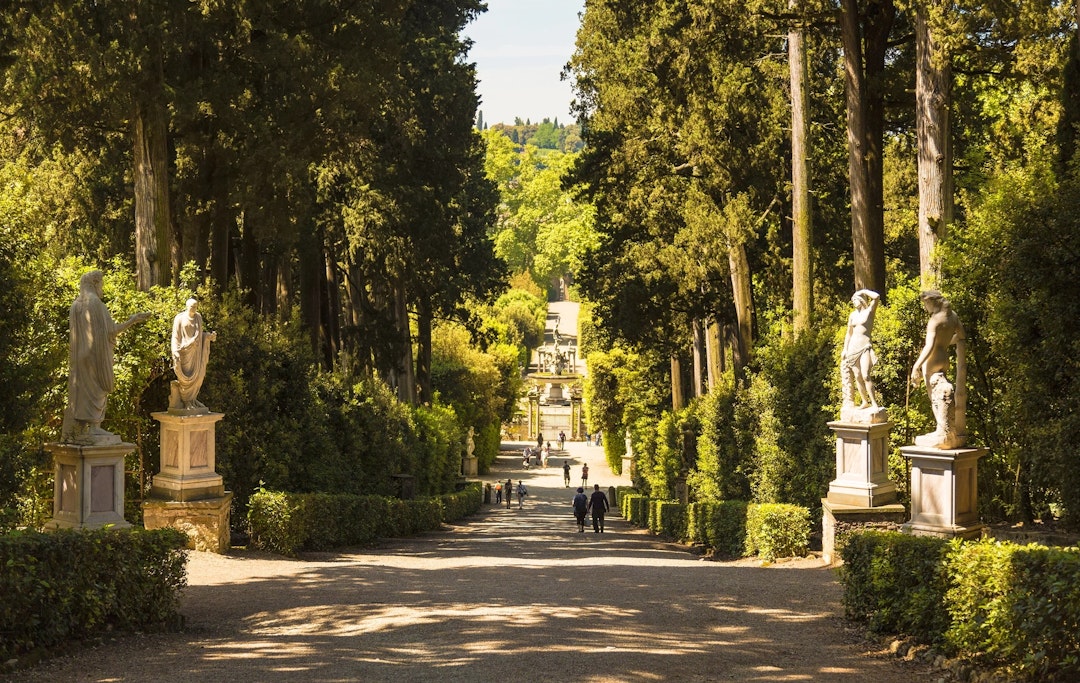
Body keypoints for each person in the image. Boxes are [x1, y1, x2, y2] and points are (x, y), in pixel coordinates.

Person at [62, 270, 152, 445]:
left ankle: (82, 428)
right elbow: (111, 331)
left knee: (81, 392)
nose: (102, 287)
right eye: (101, 284)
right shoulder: (96, 304)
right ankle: (94, 427)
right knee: (99, 389)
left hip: (80, 358)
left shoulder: (76, 305)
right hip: (95, 358)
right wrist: (132, 320)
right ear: (95, 284)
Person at [910, 290, 967, 449]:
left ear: (932, 302)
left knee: (934, 397)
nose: (925, 307)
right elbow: (961, 336)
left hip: (933, 360)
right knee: (941, 391)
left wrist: (916, 366)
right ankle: (945, 429)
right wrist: (946, 342)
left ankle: (941, 430)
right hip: (945, 359)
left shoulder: (934, 321)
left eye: (925, 303)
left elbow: (929, 346)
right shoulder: (952, 316)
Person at [170, 298, 217, 412]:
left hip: (196, 352)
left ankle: (192, 400)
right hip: (185, 351)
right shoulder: (179, 318)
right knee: (186, 378)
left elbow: (200, 335)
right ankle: (186, 401)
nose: (194, 309)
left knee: (198, 376)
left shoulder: (198, 317)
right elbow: (175, 337)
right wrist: (175, 351)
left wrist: (208, 336)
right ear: (187, 307)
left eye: (195, 307)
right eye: (192, 307)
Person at [841, 289, 880, 414]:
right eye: (852, 300)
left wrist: (863, 291)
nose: (854, 302)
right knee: (857, 376)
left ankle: (874, 403)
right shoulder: (852, 315)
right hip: (853, 347)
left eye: (856, 299)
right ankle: (864, 401)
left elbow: (877, 297)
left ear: (862, 300)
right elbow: (849, 334)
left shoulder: (869, 312)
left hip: (864, 347)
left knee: (865, 375)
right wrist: (845, 349)